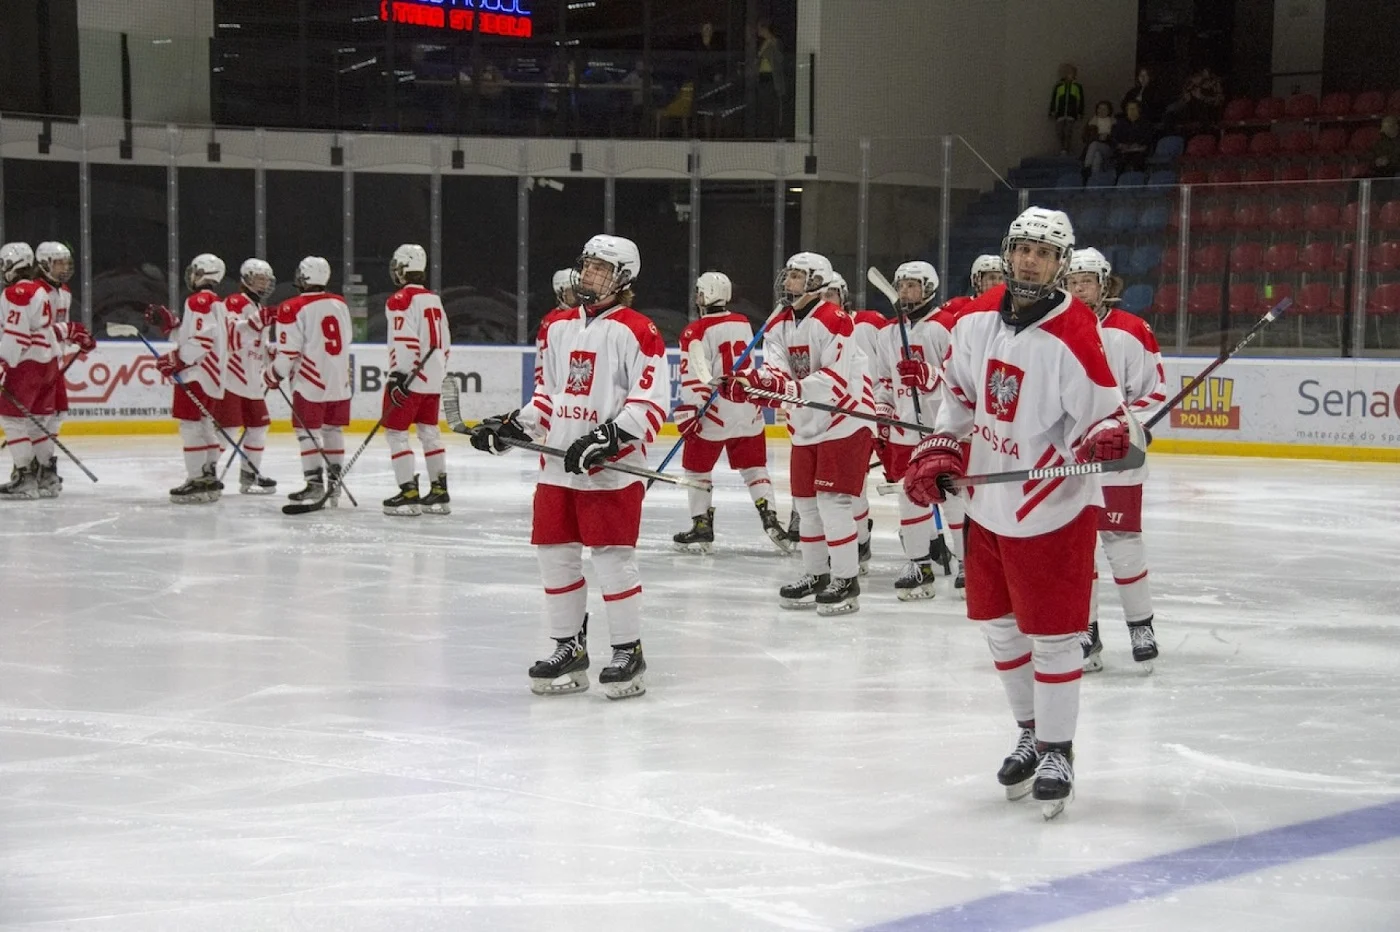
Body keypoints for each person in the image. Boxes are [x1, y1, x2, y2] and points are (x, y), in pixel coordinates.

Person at [902, 207, 1133, 819]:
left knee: (1055, 636)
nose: (1031, 259)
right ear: (1009, 252)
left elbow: (1106, 415)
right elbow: (956, 396)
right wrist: (944, 447)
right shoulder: (976, 319)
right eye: (1023, 247)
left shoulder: (1075, 327)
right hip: (988, 501)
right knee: (1000, 627)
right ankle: (1031, 732)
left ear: (1061, 263)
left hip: (1050, 506)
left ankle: (1060, 750)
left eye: (1044, 251)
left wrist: (1108, 435)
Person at [470, 235, 667, 700]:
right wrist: (510, 427)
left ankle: (627, 650)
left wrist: (609, 437)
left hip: (611, 471)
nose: (589, 276)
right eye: (587, 267)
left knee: (612, 559)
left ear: (623, 278)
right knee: (554, 555)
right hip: (557, 467)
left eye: (601, 269)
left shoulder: (639, 330)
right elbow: (547, 397)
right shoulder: (555, 325)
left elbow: (652, 402)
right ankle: (569, 646)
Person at [721, 252, 875, 616]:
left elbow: (835, 381)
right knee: (806, 505)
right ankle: (817, 573)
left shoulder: (836, 320)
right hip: (806, 425)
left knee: (833, 503)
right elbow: (778, 374)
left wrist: (781, 389)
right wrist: (753, 385)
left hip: (845, 420)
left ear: (816, 283)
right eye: (788, 274)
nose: (788, 282)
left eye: (797, 276)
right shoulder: (778, 324)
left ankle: (846, 579)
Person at [1065, 248, 1166, 673]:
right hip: (1070, 460)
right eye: (1070, 281)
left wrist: (1127, 426)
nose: (1077, 289)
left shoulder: (1131, 330)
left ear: (1105, 283)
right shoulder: (1056, 330)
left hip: (1117, 458)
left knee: (1122, 545)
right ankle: (1086, 631)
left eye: (1085, 281)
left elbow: (1155, 392)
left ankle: (1140, 626)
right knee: (1078, 550)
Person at [673, 271, 789, 554]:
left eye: (700, 292)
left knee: (697, 470)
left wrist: (692, 410)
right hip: (747, 407)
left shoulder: (694, 331)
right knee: (755, 469)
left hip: (713, 412)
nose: (697, 297)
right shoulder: (742, 322)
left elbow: (695, 377)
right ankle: (770, 516)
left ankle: (701, 525)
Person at [875, 260, 964, 601]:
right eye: (901, 285)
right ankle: (918, 563)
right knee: (908, 499)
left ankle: (966, 564)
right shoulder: (888, 332)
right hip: (903, 432)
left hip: (940, 429)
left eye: (912, 285)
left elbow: (958, 378)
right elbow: (883, 380)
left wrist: (928, 376)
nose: (905, 291)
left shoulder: (944, 326)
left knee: (955, 499)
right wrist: (883, 412)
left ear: (928, 288)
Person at [142, 254, 229, 504]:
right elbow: (198, 333)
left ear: (202, 272)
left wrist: (177, 360)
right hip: (211, 375)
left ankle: (196, 480)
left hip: (196, 373)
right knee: (203, 426)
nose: (190, 275)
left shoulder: (198, 299)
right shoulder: (216, 302)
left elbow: (202, 339)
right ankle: (208, 476)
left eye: (194, 270)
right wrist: (172, 325)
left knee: (191, 427)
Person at [266, 257, 352, 507]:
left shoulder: (291, 306)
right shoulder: (340, 303)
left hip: (310, 381)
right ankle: (334, 485)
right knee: (332, 429)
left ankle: (314, 485)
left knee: (307, 432)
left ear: (302, 278)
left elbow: (288, 354)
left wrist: (272, 374)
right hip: (338, 379)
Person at [380, 244, 451, 517]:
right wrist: (438, 371)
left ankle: (408, 493)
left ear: (400, 269)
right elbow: (445, 341)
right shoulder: (434, 299)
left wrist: (399, 375)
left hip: (409, 379)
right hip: (433, 378)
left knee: (397, 434)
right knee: (429, 432)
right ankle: (439, 491)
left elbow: (405, 342)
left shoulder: (399, 300)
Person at [33, 241, 94, 498]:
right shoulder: (35, 291)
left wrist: (78, 338)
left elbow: (62, 329)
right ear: (45, 264)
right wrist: (66, 332)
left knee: (55, 415)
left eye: (67, 263)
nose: (65, 268)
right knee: (36, 418)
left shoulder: (64, 292)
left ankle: (45, 465)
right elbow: (36, 330)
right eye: (59, 263)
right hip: (35, 362)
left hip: (54, 361)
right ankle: (32, 467)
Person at [0, 243, 58, 499]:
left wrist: (3, 363)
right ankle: (46, 475)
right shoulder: (39, 289)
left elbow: (16, 336)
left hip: (26, 364)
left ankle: (24, 477)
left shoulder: (17, 292)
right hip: (47, 362)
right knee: (38, 422)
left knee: (13, 420)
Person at [832, 271, 880, 573]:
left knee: (854, 486)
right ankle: (850, 541)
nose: (825, 301)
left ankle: (860, 540)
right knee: (831, 490)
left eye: (831, 294)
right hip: (829, 417)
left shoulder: (867, 323)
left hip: (861, 415)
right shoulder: (818, 327)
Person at [220, 258, 279, 495]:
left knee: (258, 427)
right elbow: (229, 335)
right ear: (245, 280)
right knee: (228, 429)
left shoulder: (257, 309)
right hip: (232, 377)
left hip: (253, 379)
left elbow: (256, 345)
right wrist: (255, 322)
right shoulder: (235, 301)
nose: (263, 284)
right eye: (258, 279)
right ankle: (207, 474)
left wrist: (272, 353)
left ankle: (250, 475)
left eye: (266, 280)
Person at [754, 20, 786, 138]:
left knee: (774, 108)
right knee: (764, 108)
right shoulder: (763, 43)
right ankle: (764, 134)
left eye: (760, 29)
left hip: (772, 78)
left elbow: (780, 59)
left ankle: (775, 134)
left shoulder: (776, 42)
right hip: (763, 77)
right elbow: (757, 57)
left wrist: (771, 45)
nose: (758, 32)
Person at [1048, 64, 1085, 155]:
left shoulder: (1077, 86)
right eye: (1068, 73)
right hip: (1060, 112)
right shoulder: (1058, 86)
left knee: (1068, 131)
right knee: (1060, 131)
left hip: (1071, 113)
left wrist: (1080, 112)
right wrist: (1052, 110)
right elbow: (1054, 99)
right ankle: (1062, 147)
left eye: (1072, 73)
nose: (1070, 75)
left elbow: (1081, 100)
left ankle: (1066, 149)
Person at [1110, 100, 1154, 174]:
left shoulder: (1145, 124)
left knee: (1137, 159)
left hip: (1139, 151)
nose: (1132, 111)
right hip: (1123, 151)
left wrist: (1137, 145)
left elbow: (1148, 138)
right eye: (1130, 109)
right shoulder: (1120, 123)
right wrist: (1120, 145)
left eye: (1134, 109)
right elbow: (1114, 138)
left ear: (1139, 110)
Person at [1082, 101, 1117, 176]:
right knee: (1097, 155)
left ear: (1109, 111)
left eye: (1104, 109)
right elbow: (1085, 138)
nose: (1101, 111)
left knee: (1095, 145)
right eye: (1100, 108)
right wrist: (1098, 137)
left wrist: (1107, 137)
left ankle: (1087, 166)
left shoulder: (1114, 122)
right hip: (1093, 149)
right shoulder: (1091, 122)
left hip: (1109, 148)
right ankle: (1093, 177)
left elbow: (1117, 138)